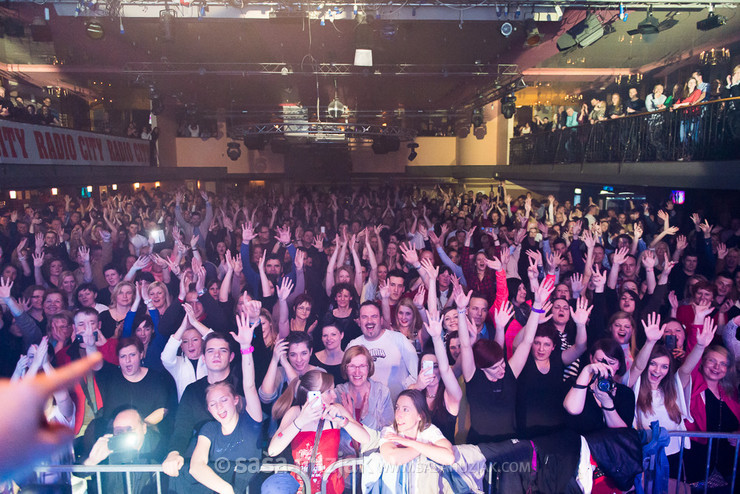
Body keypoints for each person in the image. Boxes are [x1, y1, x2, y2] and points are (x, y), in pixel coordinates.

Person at [457, 277, 553, 444]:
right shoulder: (473, 377)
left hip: (509, 444)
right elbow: (465, 346)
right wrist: (460, 310)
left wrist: (537, 304)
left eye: (502, 364)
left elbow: (528, 341)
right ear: (482, 367)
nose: (502, 370)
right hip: (480, 446)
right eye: (496, 368)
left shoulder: (509, 372)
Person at [188, 314, 264, 493]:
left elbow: (250, 385)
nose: (219, 407)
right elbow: (196, 466)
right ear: (208, 409)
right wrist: (227, 490)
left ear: (235, 399)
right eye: (213, 404)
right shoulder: (209, 429)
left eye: (223, 400)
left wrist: (245, 347)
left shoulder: (250, 423)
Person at [267, 370, 369, 494]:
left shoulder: (336, 410)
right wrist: (300, 422)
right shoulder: (295, 413)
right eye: (328, 391)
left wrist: (343, 421)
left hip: (331, 488)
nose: (334, 395)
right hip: (301, 488)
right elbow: (273, 450)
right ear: (311, 395)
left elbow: (365, 439)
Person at [374, 389, 455, 492]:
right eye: (397, 408)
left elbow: (449, 458)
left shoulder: (429, 430)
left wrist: (409, 443)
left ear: (420, 415)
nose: (398, 414)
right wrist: (426, 447)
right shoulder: (389, 431)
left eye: (405, 410)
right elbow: (392, 457)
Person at [83, 407, 166, 493]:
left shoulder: (160, 445)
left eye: (130, 430)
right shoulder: (108, 447)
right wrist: (92, 461)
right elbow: (78, 473)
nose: (125, 435)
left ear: (144, 428)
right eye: (119, 432)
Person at [347, 301, 418, 400]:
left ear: (381, 320)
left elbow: (415, 373)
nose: (369, 321)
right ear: (359, 321)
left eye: (374, 316)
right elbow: (348, 381)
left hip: (398, 407)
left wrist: (402, 390)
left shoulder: (399, 339)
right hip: (366, 409)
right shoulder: (353, 345)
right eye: (364, 317)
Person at [411, 309, 462, 443]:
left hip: (443, 456)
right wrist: (418, 387)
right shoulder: (414, 389)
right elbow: (402, 411)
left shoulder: (450, 395)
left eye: (435, 366)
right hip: (417, 453)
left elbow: (445, 369)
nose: (432, 372)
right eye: (426, 366)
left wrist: (436, 337)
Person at [334, 345, 393, 454]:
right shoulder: (337, 393)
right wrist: (349, 417)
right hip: (345, 460)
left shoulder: (382, 392)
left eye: (362, 366)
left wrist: (367, 417)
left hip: (375, 457)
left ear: (369, 367)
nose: (357, 372)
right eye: (352, 366)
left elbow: (388, 432)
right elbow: (333, 434)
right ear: (345, 368)